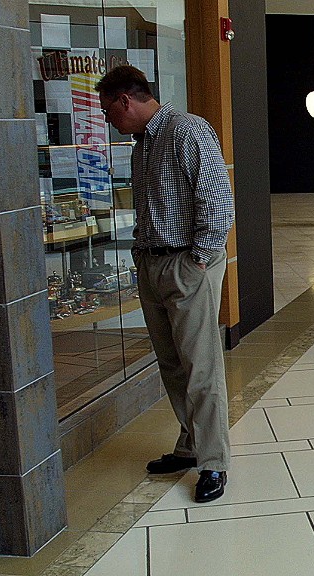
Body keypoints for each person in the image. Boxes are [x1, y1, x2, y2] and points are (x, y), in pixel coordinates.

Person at [95, 65, 234, 503]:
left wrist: (196, 260)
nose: (107, 120)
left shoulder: (187, 130)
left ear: (125, 101)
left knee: (201, 366)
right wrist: (142, 258)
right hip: (153, 264)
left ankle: (213, 462)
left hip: (186, 265)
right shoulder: (141, 146)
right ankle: (190, 446)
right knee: (172, 365)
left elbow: (218, 202)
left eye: (107, 111)